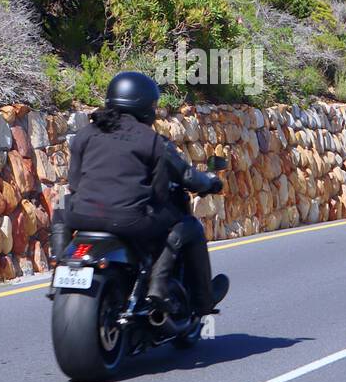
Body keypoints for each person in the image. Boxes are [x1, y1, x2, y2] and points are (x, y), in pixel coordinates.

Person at [49, 72, 229, 317]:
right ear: (146, 105)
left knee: (61, 205)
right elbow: (172, 183)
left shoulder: (85, 135)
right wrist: (209, 183)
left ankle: (60, 267)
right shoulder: (152, 141)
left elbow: (75, 183)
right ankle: (184, 294)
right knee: (188, 226)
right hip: (130, 220)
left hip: (81, 217)